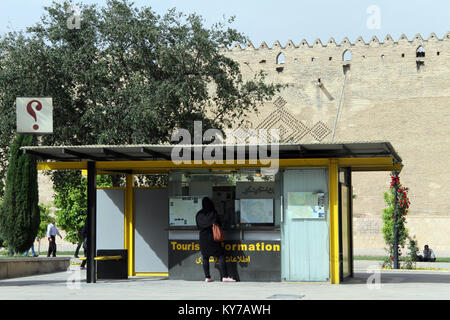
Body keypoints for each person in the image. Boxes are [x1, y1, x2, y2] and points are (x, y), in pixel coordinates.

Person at [195, 197, 235, 282]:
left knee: (205, 257)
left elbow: (198, 226)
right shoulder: (213, 213)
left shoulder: (199, 214)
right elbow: (219, 223)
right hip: (213, 238)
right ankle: (224, 276)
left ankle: (207, 277)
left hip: (203, 238)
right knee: (221, 255)